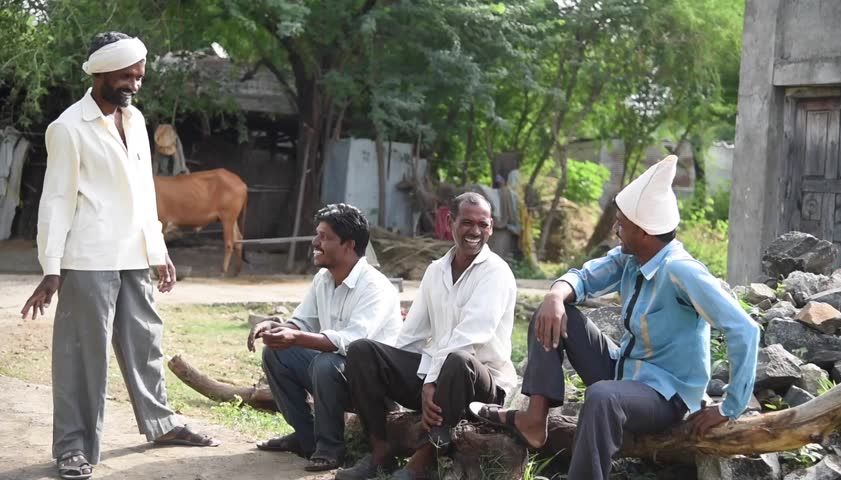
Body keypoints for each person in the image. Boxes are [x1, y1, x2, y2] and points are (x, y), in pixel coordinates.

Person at [470, 155, 760, 480]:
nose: (615, 229)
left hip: (665, 396)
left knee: (602, 397)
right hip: (624, 371)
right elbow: (583, 277)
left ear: (645, 232)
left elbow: (744, 330)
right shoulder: (631, 257)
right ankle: (534, 420)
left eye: (621, 224)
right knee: (553, 308)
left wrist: (729, 407)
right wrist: (554, 295)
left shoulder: (681, 271)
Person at [20, 32, 218, 480]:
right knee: (82, 355)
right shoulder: (68, 128)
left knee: (145, 342)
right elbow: (55, 201)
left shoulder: (136, 119)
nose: (135, 83)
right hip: (88, 258)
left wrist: (158, 249)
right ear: (101, 72)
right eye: (127, 75)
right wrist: (52, 269)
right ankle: (73, 447)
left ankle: (162, 424)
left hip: (134, 253)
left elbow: (144, 192)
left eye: (140, 75)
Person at [336, 192, 517, 480]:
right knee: (363, 351)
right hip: (438, 375)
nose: (475, 231)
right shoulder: (436, 270)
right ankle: (380, 452)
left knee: (458, 360)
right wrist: (388, 373)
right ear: (449, 222)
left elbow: (470, 337)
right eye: (467, 222)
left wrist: (430, 381)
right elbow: (411, 335)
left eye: (483, 225)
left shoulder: (496, 272)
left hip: (482, 384)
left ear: (491, 227)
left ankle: (422, 461)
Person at [248, 203, 402, 471]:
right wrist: (274, 327)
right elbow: (301, 321)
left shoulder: (376, 287)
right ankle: (307, 439)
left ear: (348, 245)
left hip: (375, 390)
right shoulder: (323, 278)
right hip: (336, 376)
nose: (315, 243)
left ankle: (331, 449)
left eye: (325, 237)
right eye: (317, 234)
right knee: (275, 352)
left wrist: (294, 337)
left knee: (326, 362)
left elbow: (351, 343)